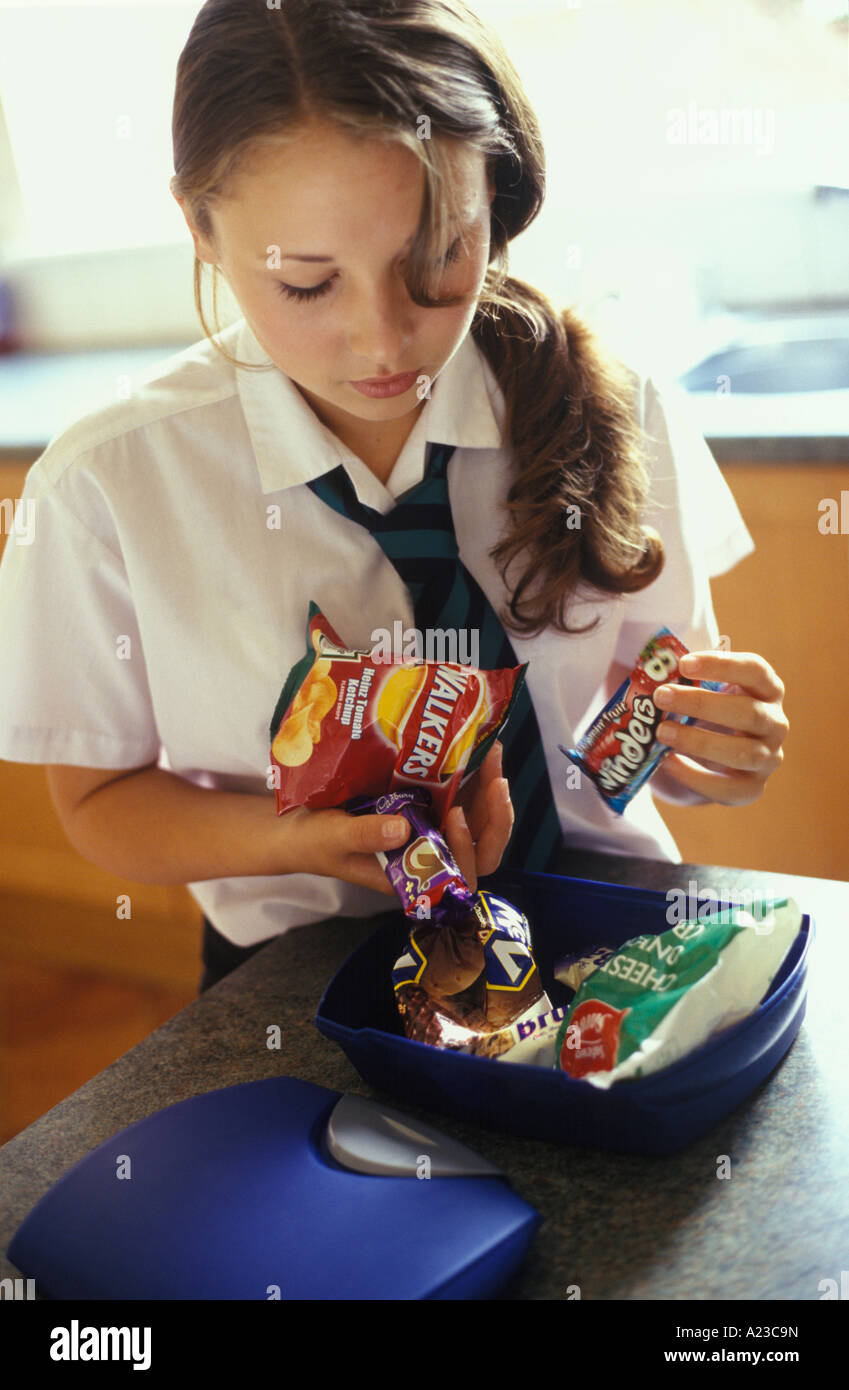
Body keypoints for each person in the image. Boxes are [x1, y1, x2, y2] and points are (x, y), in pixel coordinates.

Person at [0, 0, 788, 993]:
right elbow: (100, 800)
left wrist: (713, 747)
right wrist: (300, 839)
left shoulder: (616, 406)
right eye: (306, 283)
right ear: (199, 227)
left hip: (614, 937)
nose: (381, 342)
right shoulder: (105, 487)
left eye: (437, 259)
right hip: (307, 974)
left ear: (495, 196)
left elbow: (654, 719)